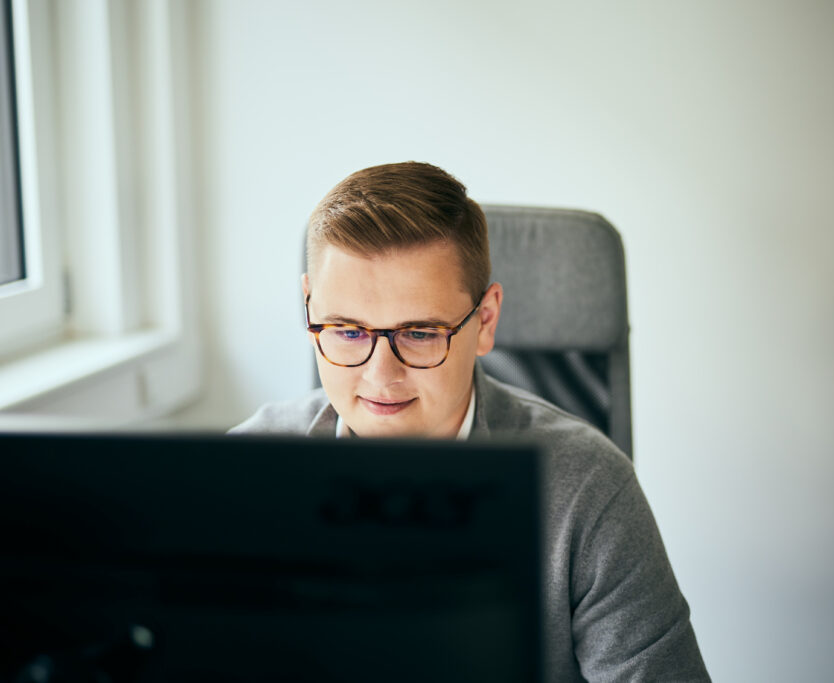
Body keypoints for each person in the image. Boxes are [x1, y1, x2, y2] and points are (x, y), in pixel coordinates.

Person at [231, 161, 710, 682]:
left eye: (418, 333)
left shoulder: (589, 492)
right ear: (309, 310)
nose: (380, 374)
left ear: (485, 322)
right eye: (347, 331)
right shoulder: (240, 473)